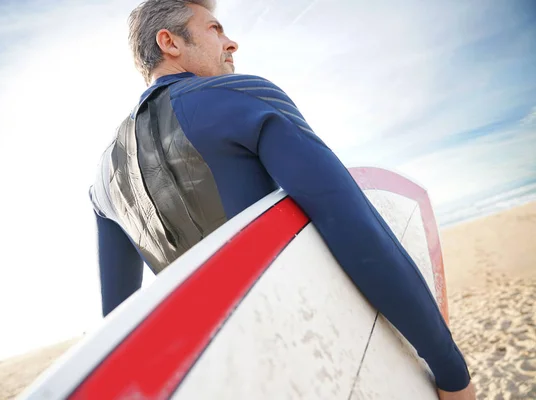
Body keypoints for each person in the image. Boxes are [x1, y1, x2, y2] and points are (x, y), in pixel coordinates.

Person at [89, 0, 476, 398]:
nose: (231, 42)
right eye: (214, 29)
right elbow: (353, 226)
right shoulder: (238, 96)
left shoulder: (103, 179)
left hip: (239, 383)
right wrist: (450, 369)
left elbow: (119, 330)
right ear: (169, 42)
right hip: (324, 353)